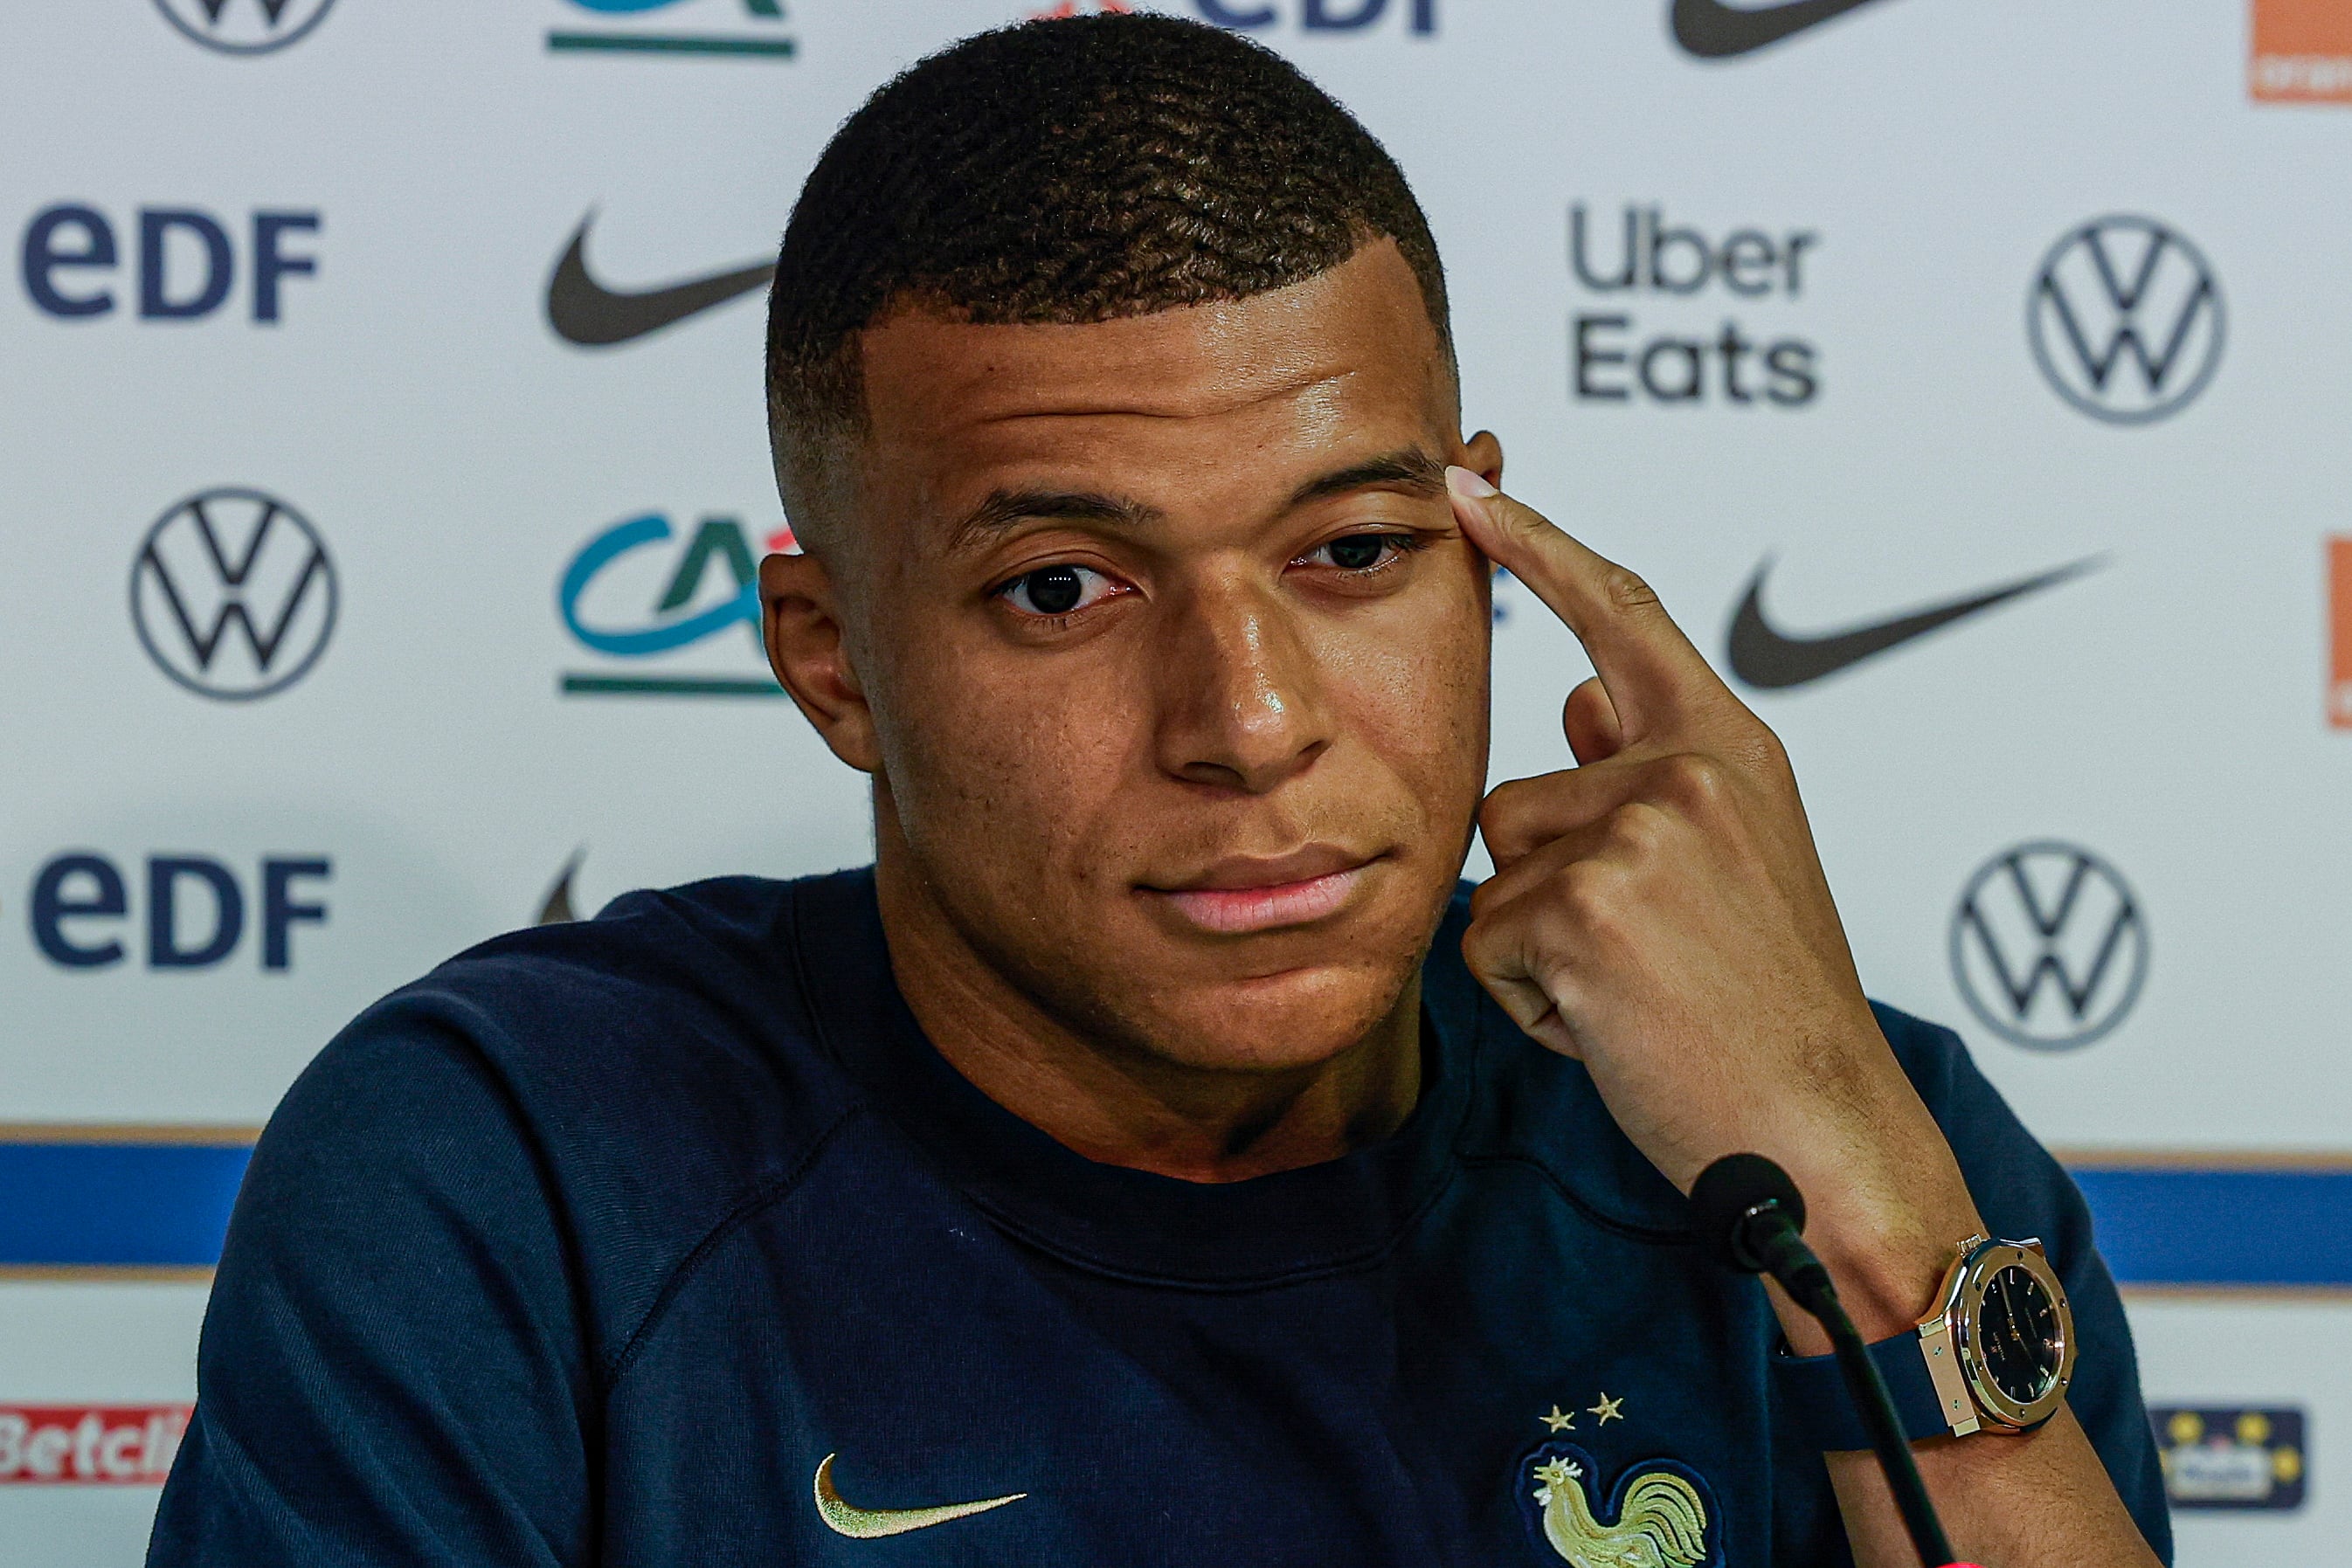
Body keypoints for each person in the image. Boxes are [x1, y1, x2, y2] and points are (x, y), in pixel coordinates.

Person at [149, 15, 2169, 1566]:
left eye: (1352, 550)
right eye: (1060, 587)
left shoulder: (1841, 1146)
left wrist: (1870, 1208)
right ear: (831, 660)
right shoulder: (517, 1174)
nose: (1250, 717)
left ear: (1489, 545)